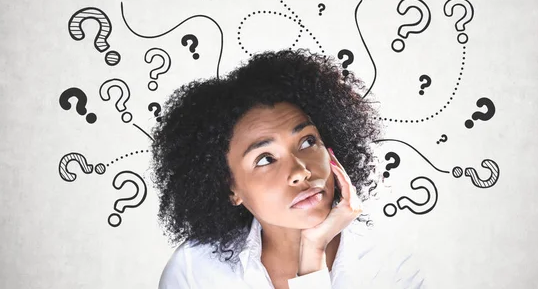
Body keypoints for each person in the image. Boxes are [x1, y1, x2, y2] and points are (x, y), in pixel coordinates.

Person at [150, 48, 426, 288]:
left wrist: (313, 253)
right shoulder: (194, 272)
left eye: (307, 141)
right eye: (266, 159)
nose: (300, 171)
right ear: (231, 187)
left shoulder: (389, 262)